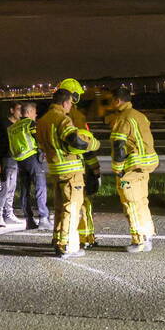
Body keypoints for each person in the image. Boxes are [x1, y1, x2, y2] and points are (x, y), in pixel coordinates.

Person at [36, 89, 98, 259]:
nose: (71, 106)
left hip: (55, 170)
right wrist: (90, 144)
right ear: (64, 103)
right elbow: (74, 140)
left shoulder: (42, 121)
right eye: (70, 103)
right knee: (72, 208)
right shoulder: (62, 119)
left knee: (59, 208)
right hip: (70, 170)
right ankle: (67, 245)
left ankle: (58, 240)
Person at [107, 87, 160, 252]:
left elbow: (119, 146)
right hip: (146, 167)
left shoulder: (122, 118)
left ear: (117, 100)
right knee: (142, 202)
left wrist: (117, 169)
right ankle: (148, 235)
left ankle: (139, 240)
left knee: (130, 203)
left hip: (131, 169)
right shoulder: (140, 115)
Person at [57, 78, 101, 248]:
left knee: (64, 204)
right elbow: (85, 144)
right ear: (72, 96)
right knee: (82, 203)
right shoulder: (76, 117)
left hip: (60, 167)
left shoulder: (53, 116)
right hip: (78, 166)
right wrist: (95, 167)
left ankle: (62, 238)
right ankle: (85, 237)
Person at [7, 101, 52, 231]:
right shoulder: (30, 123)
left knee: (25, 191)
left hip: (20, 161)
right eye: (34, 111)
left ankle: (29, 220)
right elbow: (39, 138)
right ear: (29, 112)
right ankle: (43, 218)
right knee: (40, 188)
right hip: (32, 158)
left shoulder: (12, 128)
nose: (36, 114)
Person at [0, 102, 21, 226]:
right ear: (12, 110)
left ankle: (8, 214)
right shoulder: (2, 124)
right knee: (4, 188)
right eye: (18, 109)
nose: (20, 112)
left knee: (12, 188)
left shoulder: (20, 125)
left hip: (16, 160)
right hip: (5, 160)